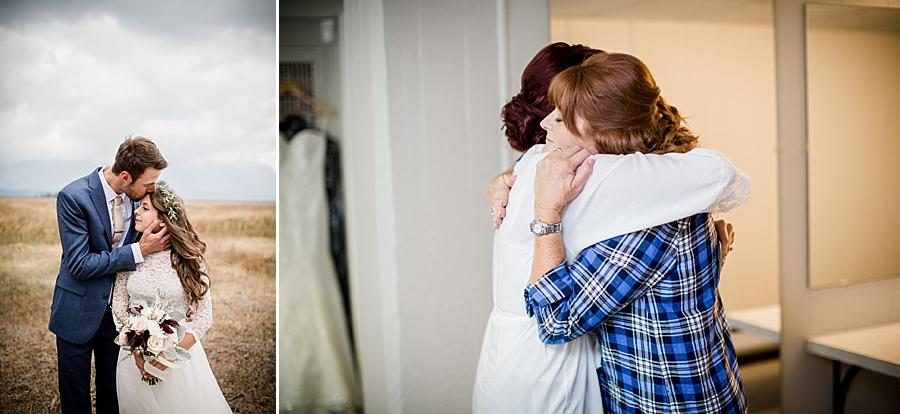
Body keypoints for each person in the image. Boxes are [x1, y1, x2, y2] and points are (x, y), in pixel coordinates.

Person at [472, 44, 747, 413]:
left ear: (604, 130)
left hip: (668, 401)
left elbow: (556, 322)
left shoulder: (646, 218)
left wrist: (546, 212)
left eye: (562, 116)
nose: (544, 125)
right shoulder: (645, 192)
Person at [49, 136, 170, 414]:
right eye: (148, 183)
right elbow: (79, 264)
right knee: (75, 399)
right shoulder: (73, 197)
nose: (153, 189)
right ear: (126, 176)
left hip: (120, 318)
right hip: (76, 311)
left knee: (113, 397)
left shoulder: (140, 201)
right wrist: (137, 251)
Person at [111, 181, 232, 413]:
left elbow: (204, 316)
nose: (136, 211)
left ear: (164, 219)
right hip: (132, 359)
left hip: (181, 360)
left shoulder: (189, 259)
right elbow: (119, 307)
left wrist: (169, 357)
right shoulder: (130, 255)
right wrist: (136, 350)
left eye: (145, 208)